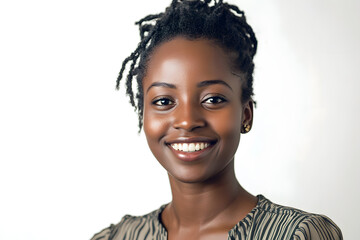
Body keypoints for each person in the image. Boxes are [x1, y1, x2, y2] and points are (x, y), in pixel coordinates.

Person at [91, 0, 342, 239]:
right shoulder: (117, 237)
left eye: (212, 99)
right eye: (164, 101)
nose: (187, 121)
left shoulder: (297, 235)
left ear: (246, 115)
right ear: (143, 115)